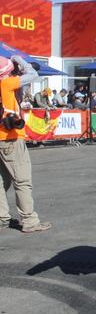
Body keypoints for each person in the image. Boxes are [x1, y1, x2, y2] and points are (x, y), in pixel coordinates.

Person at [0, 56, 51, 233]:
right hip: (10, 138)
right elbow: (33, 73)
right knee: (22, 181)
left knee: (1, 180)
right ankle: (29, 220)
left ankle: (1, 217)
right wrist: (19, 60)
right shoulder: (6, 84)